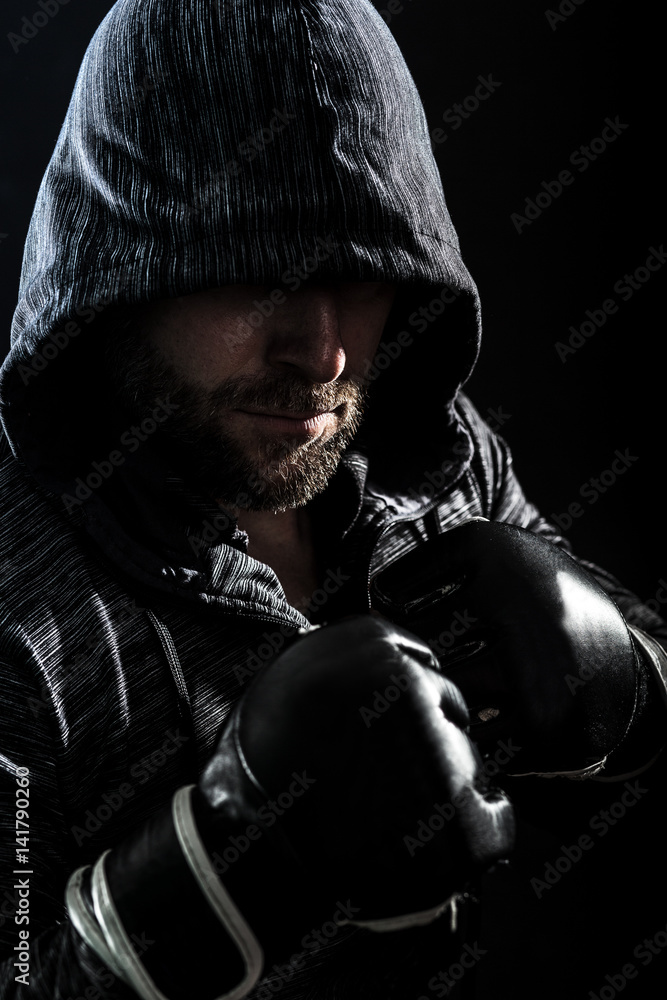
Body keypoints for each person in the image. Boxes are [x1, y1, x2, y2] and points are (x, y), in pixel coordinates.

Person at [0, 1, 665, 998]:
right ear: (116, 271)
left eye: (360, 273)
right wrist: (222, 860)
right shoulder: (19, 614)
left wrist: (633, 684)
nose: (322, 352)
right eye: (254, 272)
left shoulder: (431, 458)